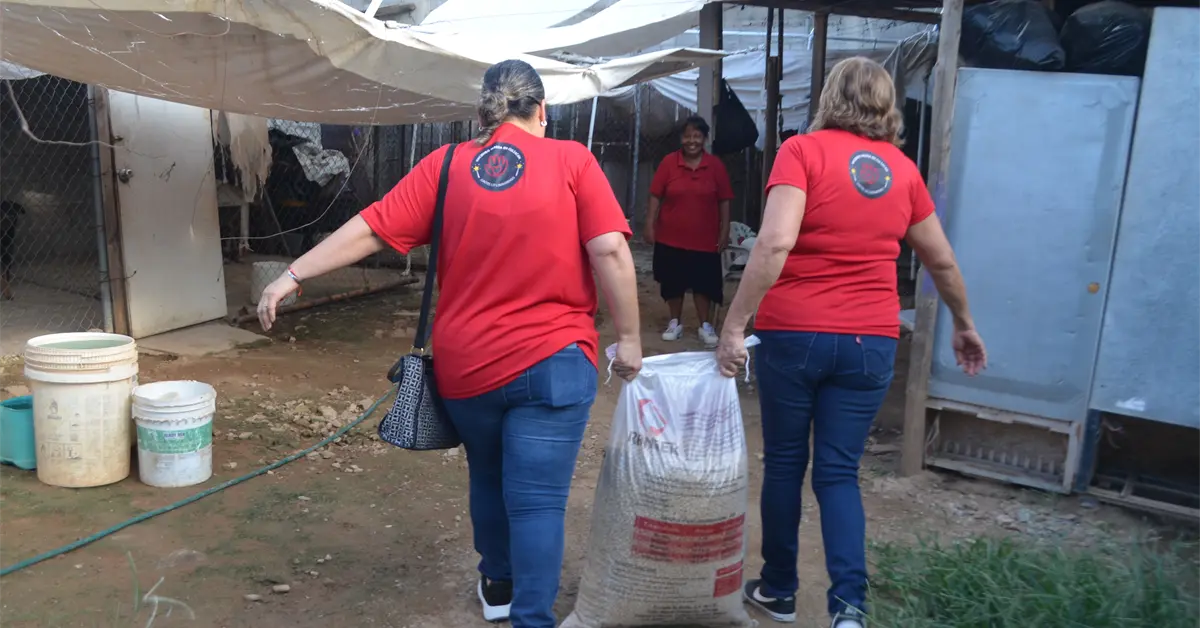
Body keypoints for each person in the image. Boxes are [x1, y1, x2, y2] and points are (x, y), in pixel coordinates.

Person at [257, 59, 643, 628]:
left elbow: (370, 227)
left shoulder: (447, 166)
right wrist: (630, 338)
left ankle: (498, 585)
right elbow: (609, 248)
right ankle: (532, 617)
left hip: (470, 367)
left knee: (488, 474)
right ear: (542, 110)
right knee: (537, 500)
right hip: (553, 361)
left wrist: (292, 275)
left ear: (484, 112)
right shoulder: (571, 160)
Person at [713, 57, 987, 628]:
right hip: (871, 340)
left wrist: (736, 324)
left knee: (786, 462)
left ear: (830, 97)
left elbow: (774, 243)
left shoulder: (802, 153)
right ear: (886, 105)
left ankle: (781, 590)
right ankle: (849, 609)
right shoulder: (901, 170)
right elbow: (939, 257)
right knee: (838, 472)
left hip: (796, 335)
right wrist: (964, 322)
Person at [643, 115, 734, 347]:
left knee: (704, 284)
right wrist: (649, 224)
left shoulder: (715, 166)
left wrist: (724, 232)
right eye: (687, 136)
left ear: (704, 138)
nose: (691, 141)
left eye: (697, 136)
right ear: (681, 138)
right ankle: (675, 322)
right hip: (670, 237)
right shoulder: (668, 163)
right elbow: (655, 195)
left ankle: (705, 325)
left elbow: (725, 200)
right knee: (673, 282)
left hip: (705, 239)